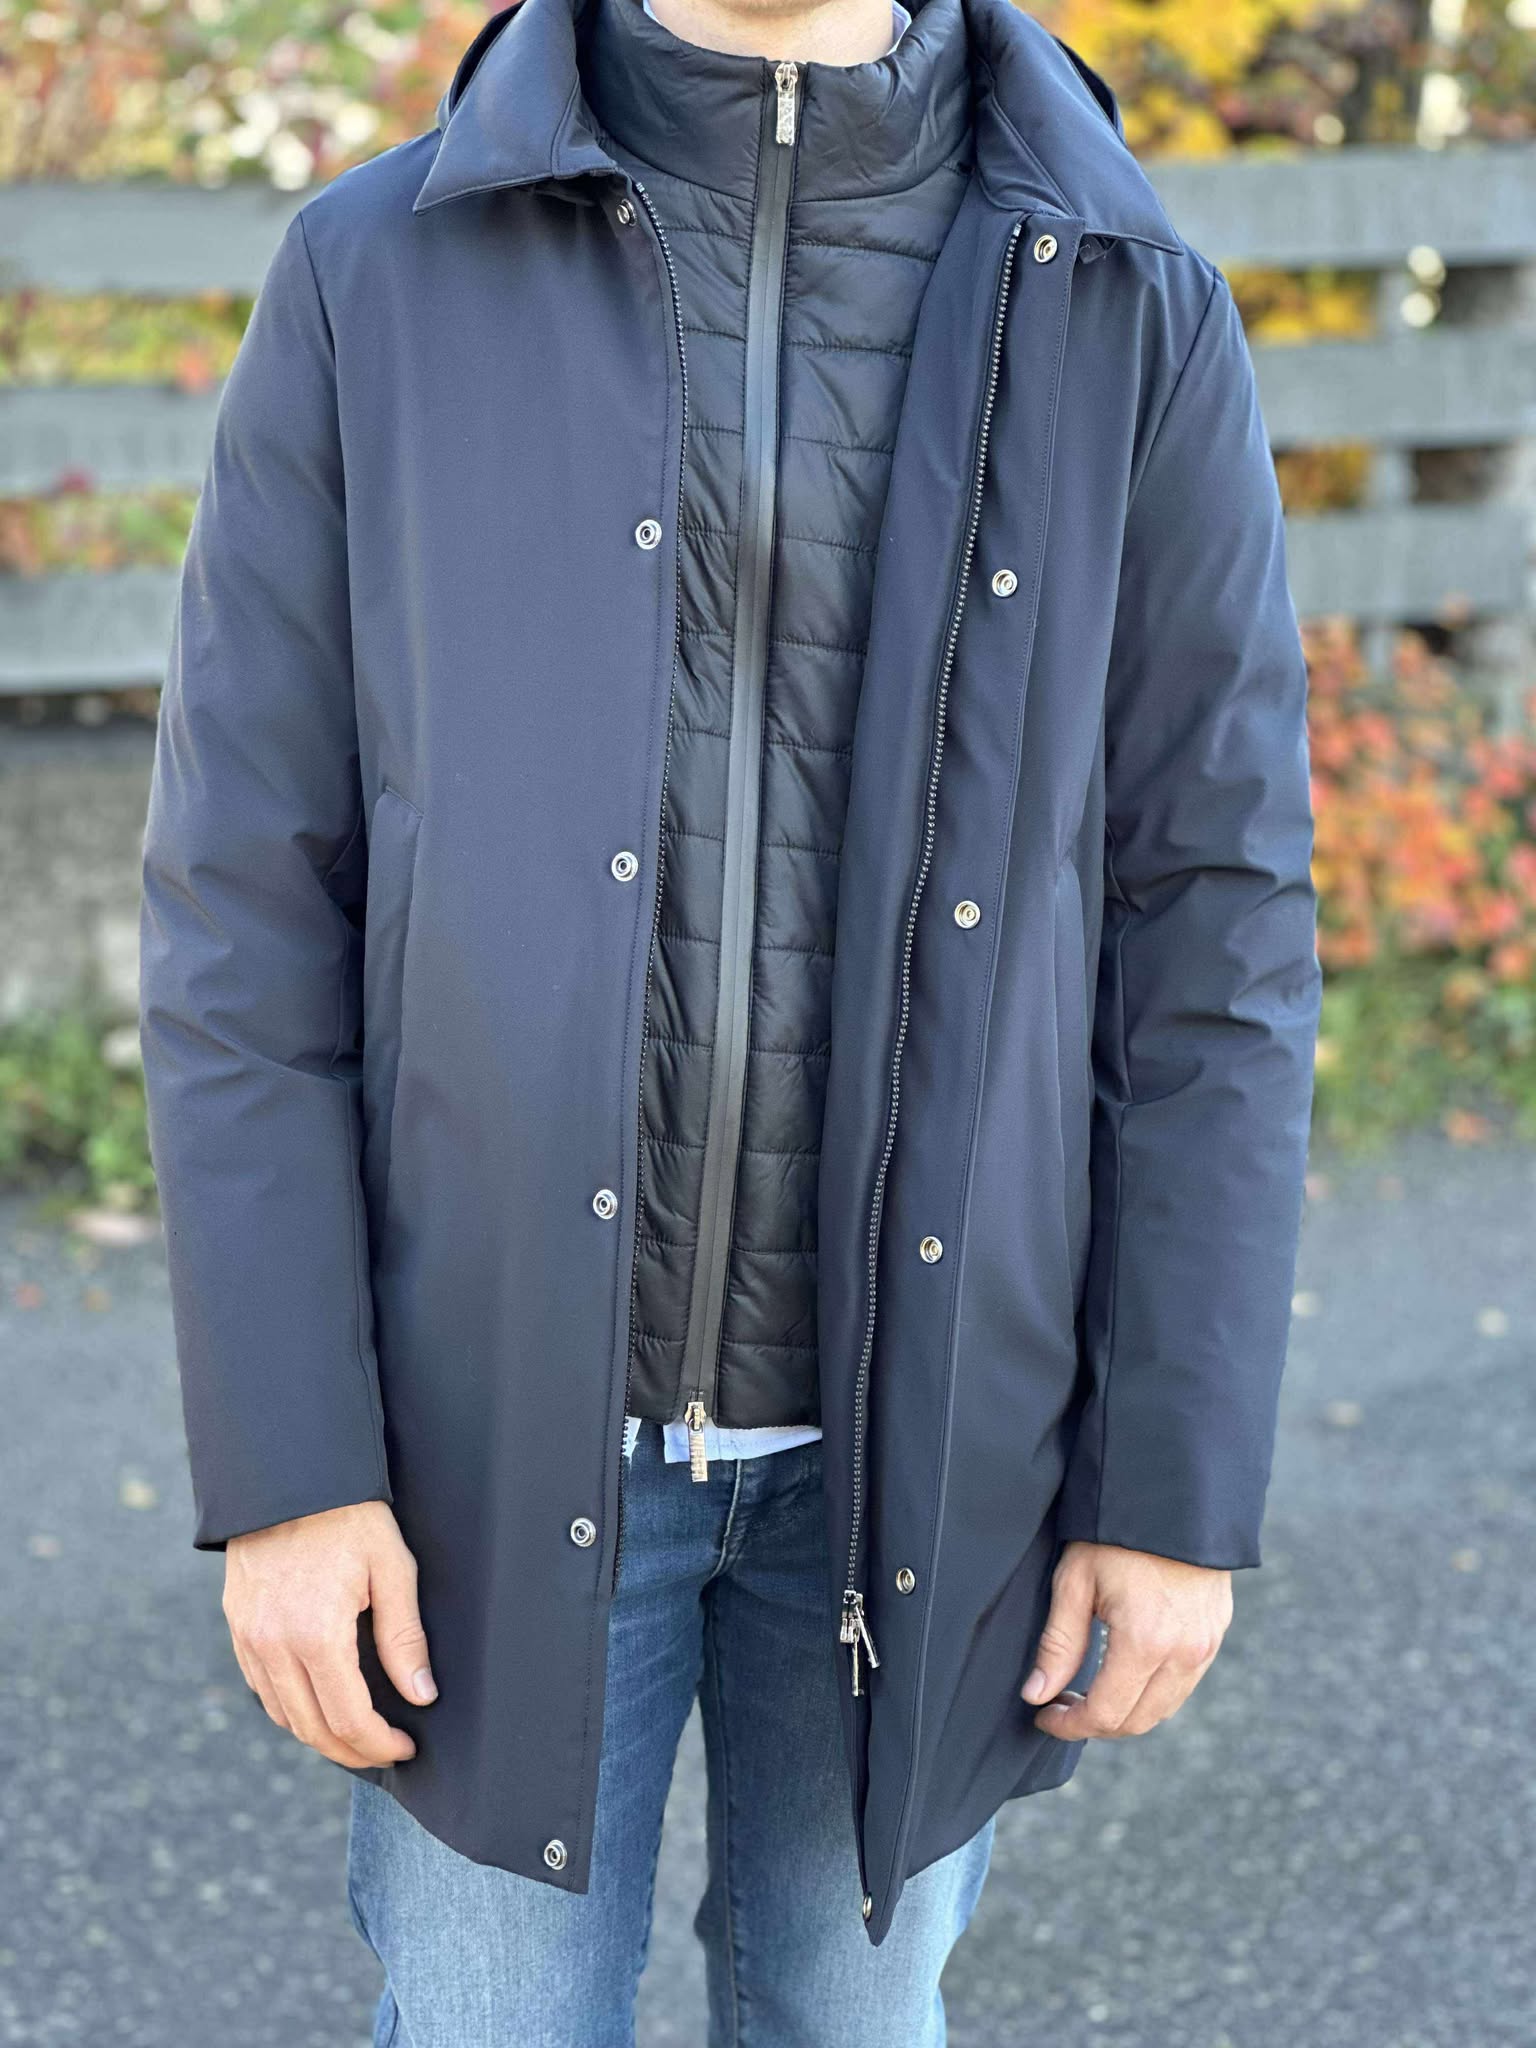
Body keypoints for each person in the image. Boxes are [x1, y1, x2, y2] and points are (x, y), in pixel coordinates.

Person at [137, 0, 1321, 2035]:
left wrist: (1171, 1480)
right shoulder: (376, 275)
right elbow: (243, 909)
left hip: (933, 1452)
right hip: (480, 1450)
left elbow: (1212, 932)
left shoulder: (1128, 300)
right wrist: (292, 1463)